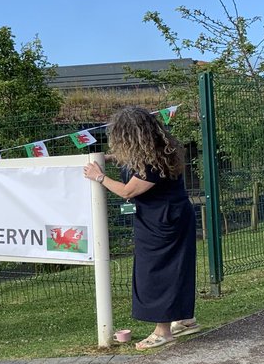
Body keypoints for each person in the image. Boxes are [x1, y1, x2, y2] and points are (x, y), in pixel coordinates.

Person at [83, 106, 198, 350]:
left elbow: (128, 191)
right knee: (178, 268)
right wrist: (110, 159)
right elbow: (134, 166)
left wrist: (99, 177)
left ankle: (162, 332)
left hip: (162, 221)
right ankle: (186, 319)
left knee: (155, 274)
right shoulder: (161, 149)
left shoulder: (153, 161)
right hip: (172, 216)